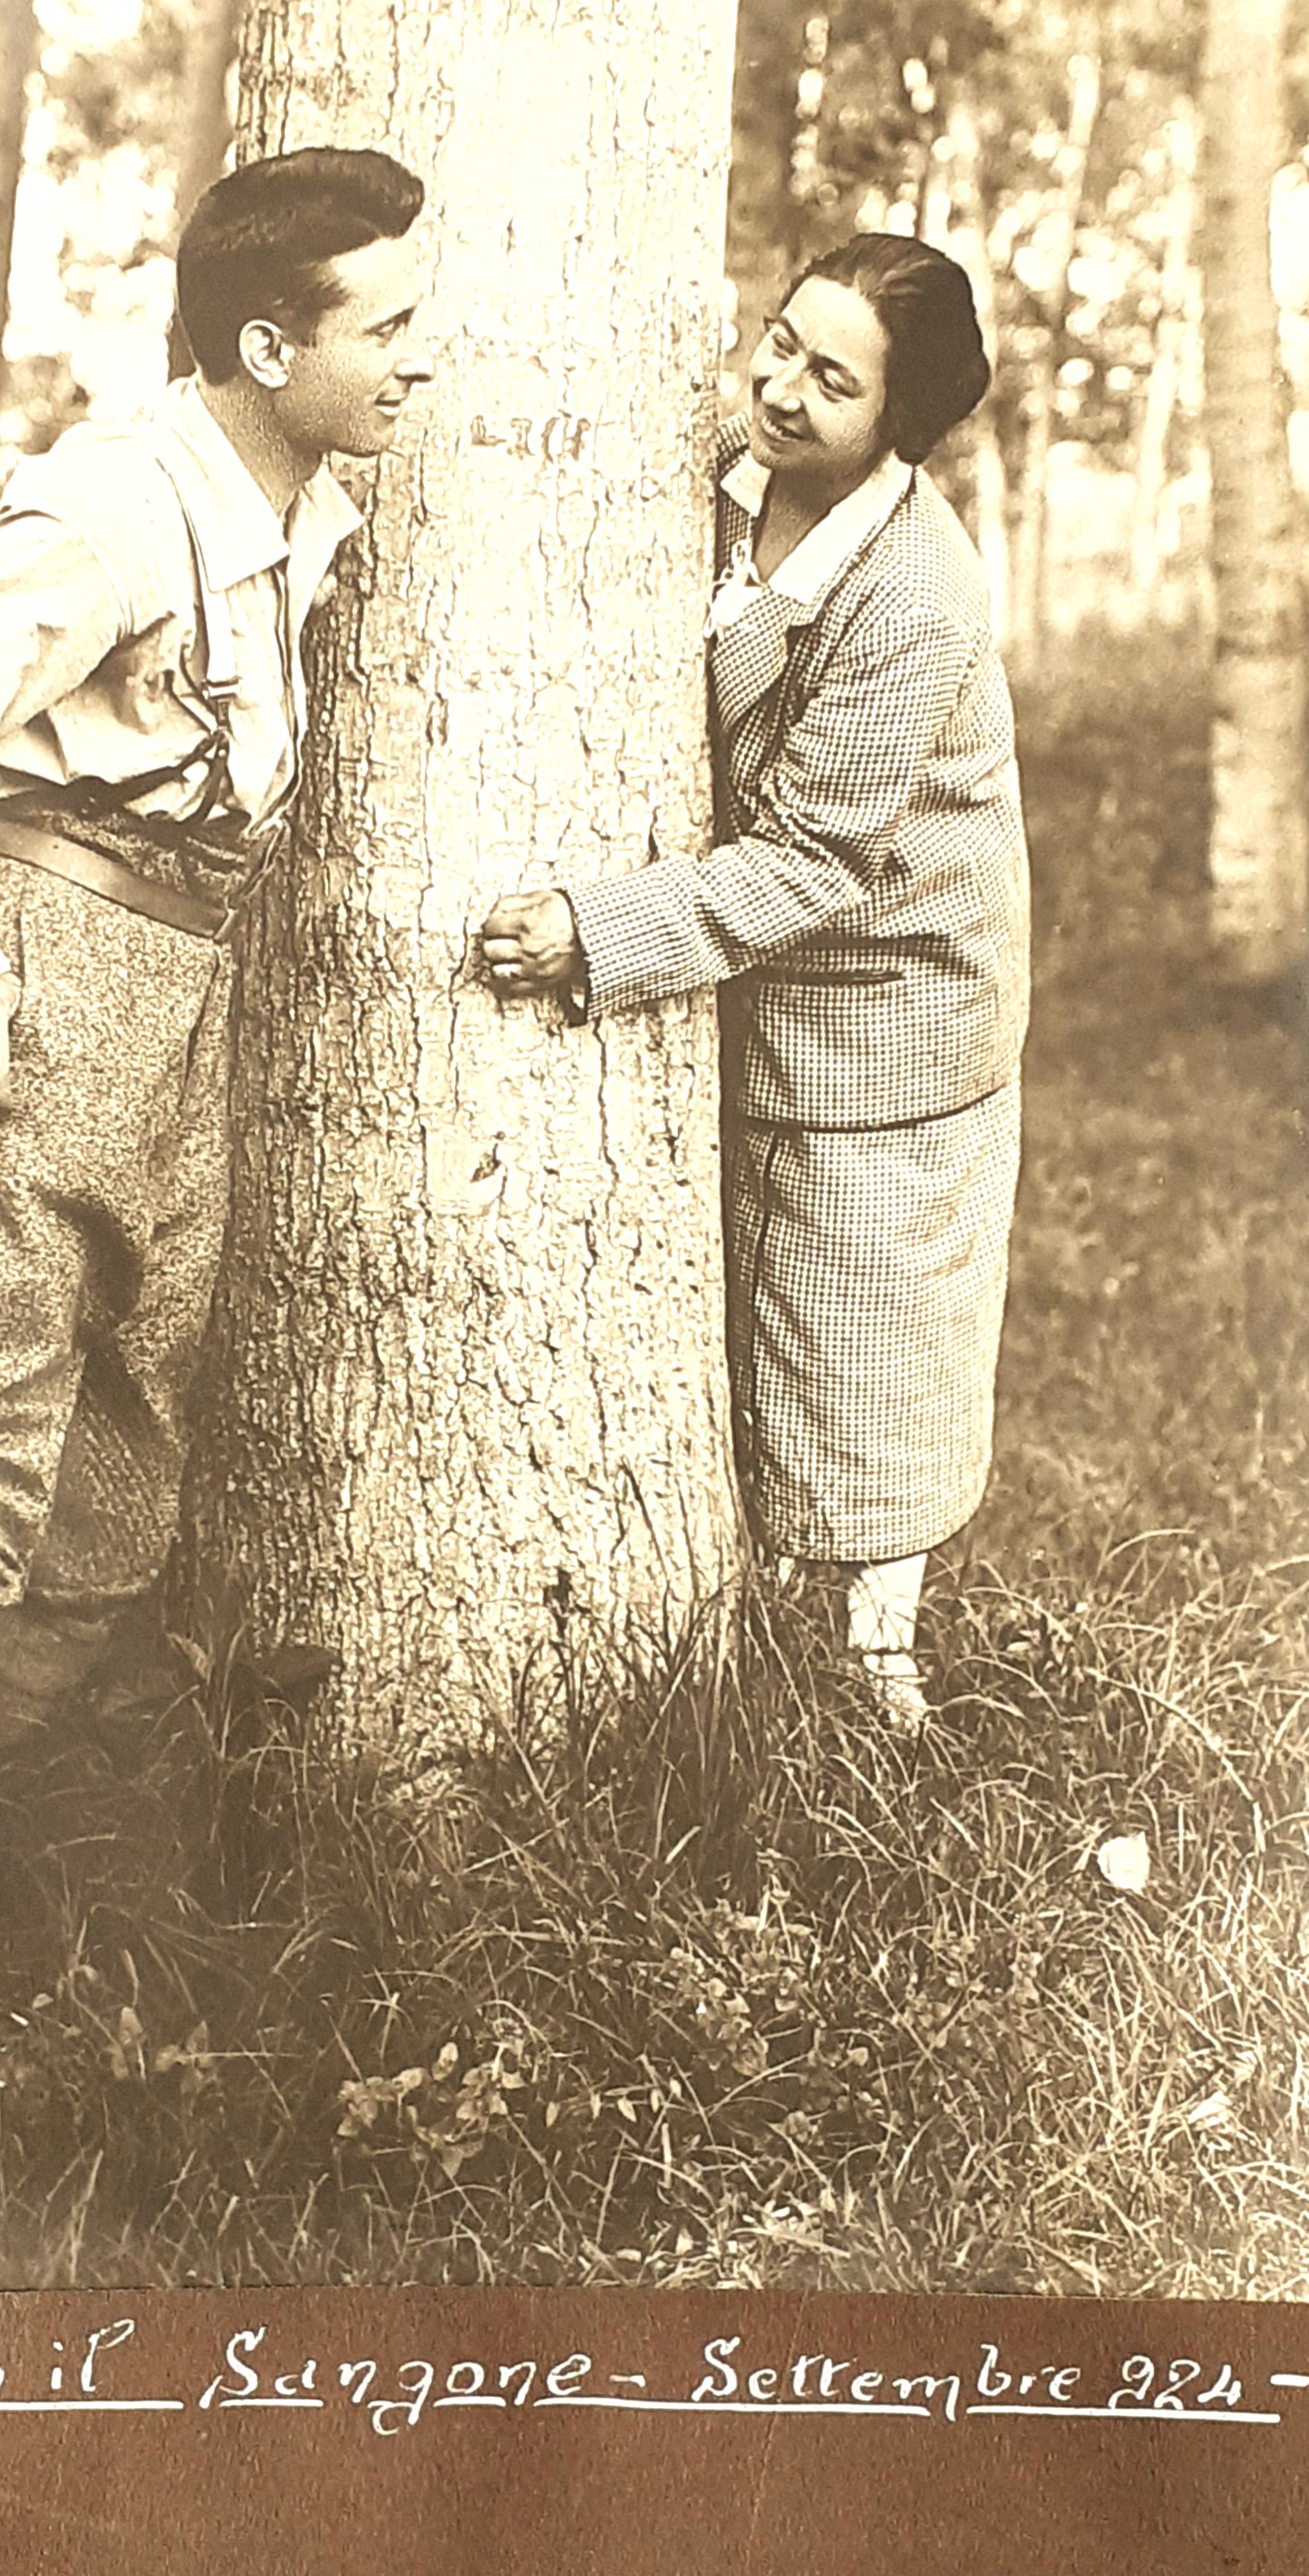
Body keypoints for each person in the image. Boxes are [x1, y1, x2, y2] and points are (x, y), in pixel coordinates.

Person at [0, 148, 435, 2034]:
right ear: (260, 341)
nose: (417, 365)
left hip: (169, 990)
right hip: (21, 980)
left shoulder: (279, 494)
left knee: (118, 1471)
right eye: (385, 331)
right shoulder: (121, 511)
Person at [481, 233, 1028, 1737]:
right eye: (781, 342)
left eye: (829, 380)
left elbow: (816, 860)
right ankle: (777, 1616)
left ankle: (876, 1661)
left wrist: (601, 931)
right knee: (762, 1298)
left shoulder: (912, 592)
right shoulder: (727, 472)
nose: (779, 387)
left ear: (896, 426)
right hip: (780, 967)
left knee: (875, 1322)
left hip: (900, 997)